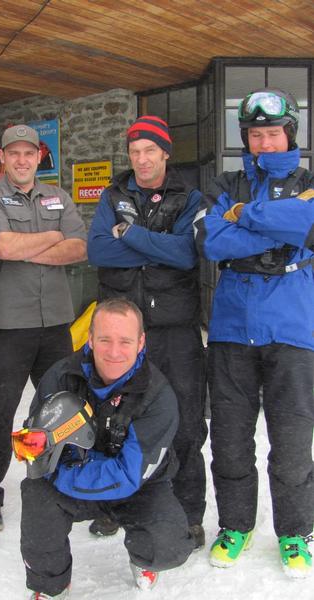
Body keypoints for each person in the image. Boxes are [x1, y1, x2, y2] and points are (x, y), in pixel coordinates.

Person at [194, 88, 314, 578]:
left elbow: (309, 222)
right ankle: (236, 524)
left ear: (289, 134)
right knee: (230, 437)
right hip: (231, 329)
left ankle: (295, 531)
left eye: (273, 132)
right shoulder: (224, 181)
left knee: (291, 439)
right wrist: (280, 229)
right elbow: (211, 240)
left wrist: (244, 214)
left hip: (292, 327)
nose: (264, 142)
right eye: (255, 134)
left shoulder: (309, 181)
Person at [16, 298, 194, 598]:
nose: (114, 352)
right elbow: (32, 446)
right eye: (104, 339)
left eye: (125, 341)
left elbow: (127, 476)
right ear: (90, 339)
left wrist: (61, 474)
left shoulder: (158, 395)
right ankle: (50, 585)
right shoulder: (60, 377)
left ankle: (144, 558)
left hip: (138, 486)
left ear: (141, 343)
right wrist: (35, 451)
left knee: (169, 546)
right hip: (73, 473)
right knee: (37, 495)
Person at [87, 115, 207, 547]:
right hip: (122, 332)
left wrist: (131, 234)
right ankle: (115, 505)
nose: (141, 159)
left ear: (165, 153)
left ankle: (189, 514)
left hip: (174, 330)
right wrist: (153, 246)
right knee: (117, 417)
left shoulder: (189, 196)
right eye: (135, 151)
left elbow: (187, 253)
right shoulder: (113, 193)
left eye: (149, 151)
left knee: (187, 424)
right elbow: (98, 249)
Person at [0, 124, 87, 531]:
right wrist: (54, 235)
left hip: (56, 323)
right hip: (9, 325)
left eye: (29, 153)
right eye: (14, 153)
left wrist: (31, 246)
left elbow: (79, 247)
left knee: (65, 408)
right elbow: (2, 246)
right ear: (2, 158)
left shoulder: (59, 196)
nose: (22, 160)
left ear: (39, 157)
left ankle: (67, 482)